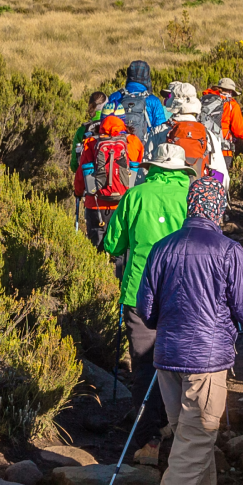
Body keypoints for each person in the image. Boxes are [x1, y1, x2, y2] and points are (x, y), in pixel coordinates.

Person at [135, 176, 243, 485]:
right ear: (219, 207)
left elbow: (145, 311)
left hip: (166, 358)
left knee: (189, 436)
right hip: (207, 360)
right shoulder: (228, 250)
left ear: (190, 205)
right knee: (197, 437)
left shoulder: (162, 248)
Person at [101, 142, 196, 434]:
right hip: (184, 293)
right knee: (182, 360)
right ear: (182, 170)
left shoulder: (135, 195)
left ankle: (146, 434)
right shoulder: (191, 197)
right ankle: (180, 428)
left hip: (139, 292)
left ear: (151, 168)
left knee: (144, 363)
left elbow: (111, 243)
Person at [78, 115, 143, 246]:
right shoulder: (133, 141)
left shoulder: (90, 142)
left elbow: (82, 172)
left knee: (95, 247)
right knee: (121, 246)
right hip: (123, 203)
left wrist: (78, 192)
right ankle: (118, 267)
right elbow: (138, 169)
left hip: (95, 204)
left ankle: (97, 266)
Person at [105, 60, 171, 149]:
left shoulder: (115, 97)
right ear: (147, 76)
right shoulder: (153, 100)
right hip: (144, 148)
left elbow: (106, 123)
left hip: (119, 147)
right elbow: (160, 129)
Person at [206, 77, 243, 180]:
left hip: (205, 147)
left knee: (206, 178)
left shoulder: (205, 101)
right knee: (219, 179)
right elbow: (238, 131)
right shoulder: (232, 105)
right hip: (223, 150)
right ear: (230, 91)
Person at [167, 83, 215, 176]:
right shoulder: (206, 133)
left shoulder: (160, 131)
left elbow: (146, 164)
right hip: (198, 187)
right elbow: (219, 169)